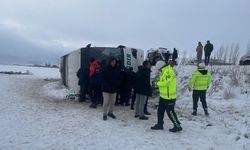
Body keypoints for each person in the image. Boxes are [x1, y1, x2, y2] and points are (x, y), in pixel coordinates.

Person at [151, 60, 182, 132]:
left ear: (161, 67)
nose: (159, 71)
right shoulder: (164, 72)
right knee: (160, 111)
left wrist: (157, 83)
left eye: (159, 69)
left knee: (170, 112)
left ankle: (177, 126)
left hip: (169, 97)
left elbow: (166, 83)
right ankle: (159, 124)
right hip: (163, 96)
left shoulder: (169, 71)